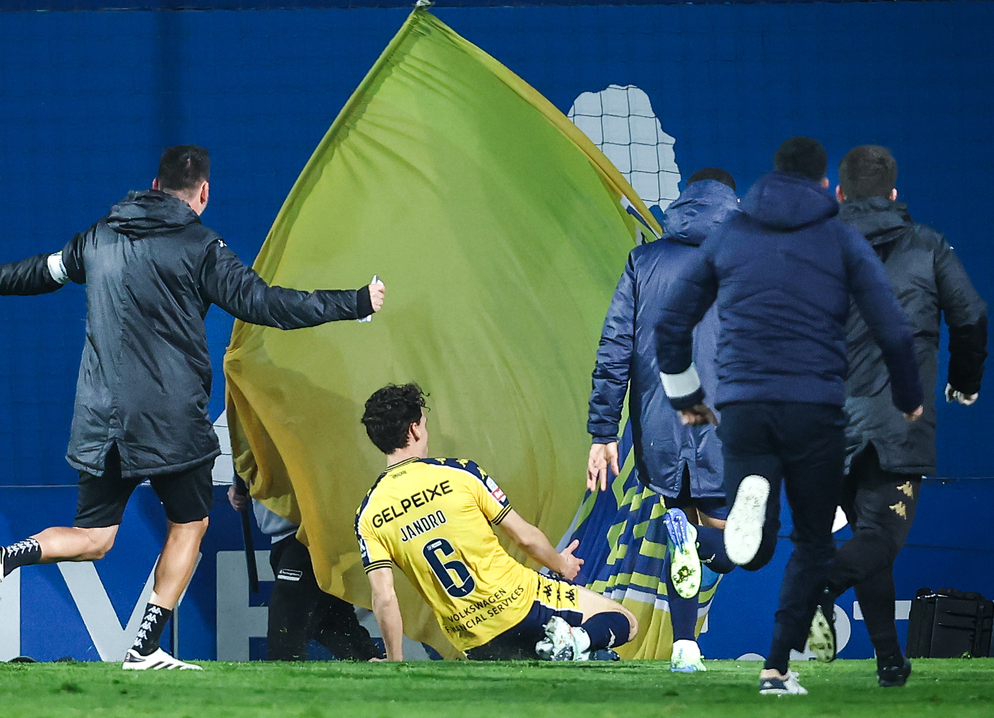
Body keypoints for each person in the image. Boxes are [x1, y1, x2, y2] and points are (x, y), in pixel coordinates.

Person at [0, 145, 384, 670]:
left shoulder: (98, 235)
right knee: (191, 523)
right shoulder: (202, 246)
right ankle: (145, 647)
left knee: (93, 538)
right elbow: (265, 304)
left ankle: (8, 556)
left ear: (153, 188)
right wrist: (355, 303)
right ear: (202, 194)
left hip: (98, 420)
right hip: (169, 423)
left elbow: (40, 272)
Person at [656, 137, 922, 695]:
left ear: (771, 179)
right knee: (812, 544)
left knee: (749, 549)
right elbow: (892, 328)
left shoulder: (731, 235)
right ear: (825, 185)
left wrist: (685, 398)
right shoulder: (841, 241)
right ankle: (775, 670)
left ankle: (707, 540)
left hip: (744, 409)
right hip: (814, 410)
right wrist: (906, 395)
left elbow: (672, 325)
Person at [827, 145, 987, 687]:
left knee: (872, 541)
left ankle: (890, 661)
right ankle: (818, 585)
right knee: (882, 538)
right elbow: (971, 317)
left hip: (830, 426)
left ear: (838, 193)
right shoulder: (928, 247)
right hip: (900, 424)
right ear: (894, 195)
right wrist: (965, 382)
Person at [358, 383, 638, 662]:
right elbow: (524, 537)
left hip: (474, 640)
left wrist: (394, 659)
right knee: (623, 620)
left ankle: (569, 651)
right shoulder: (460, 473)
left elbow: (384, 596)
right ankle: (577, 644)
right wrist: (562, 564)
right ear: (415, 429)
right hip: (521, 605)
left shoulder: (369, 513)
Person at [587, 167, 740, 672]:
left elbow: (613, 351)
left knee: (686, 528)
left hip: (659, 430)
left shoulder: (643, 260)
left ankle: (684, 646)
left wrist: (602, 434)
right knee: (734, 543)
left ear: (684, 200)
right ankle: (692, 548)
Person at [227, 477, 380, 661]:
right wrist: (242, 484)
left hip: (306, 535)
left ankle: (284, 686)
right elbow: (256, 461)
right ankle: (376, 667)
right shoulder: (251, 452)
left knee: (285, 627)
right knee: (333, 623)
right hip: (285, 538)